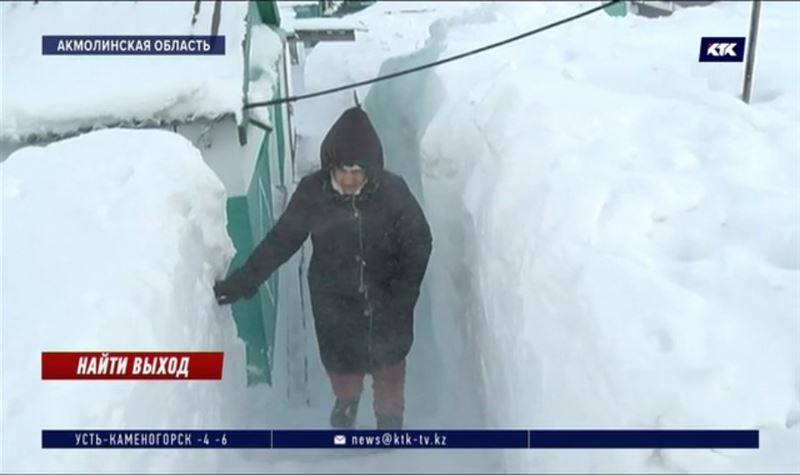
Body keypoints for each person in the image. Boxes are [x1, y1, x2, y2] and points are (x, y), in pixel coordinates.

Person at [214, 107, 433, 430]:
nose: (347, 181)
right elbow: (282, 240)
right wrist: (244, 281)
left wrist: (403, 294)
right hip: (335, 301)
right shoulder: (313, 193)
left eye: (356, 174)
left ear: (371, 172)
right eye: (342, 172)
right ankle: (347, 402)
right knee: (343, 366)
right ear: (330, 166)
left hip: (387, 301)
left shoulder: (392, 193)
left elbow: (419, 243)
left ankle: (390, 426)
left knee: (389, 367)